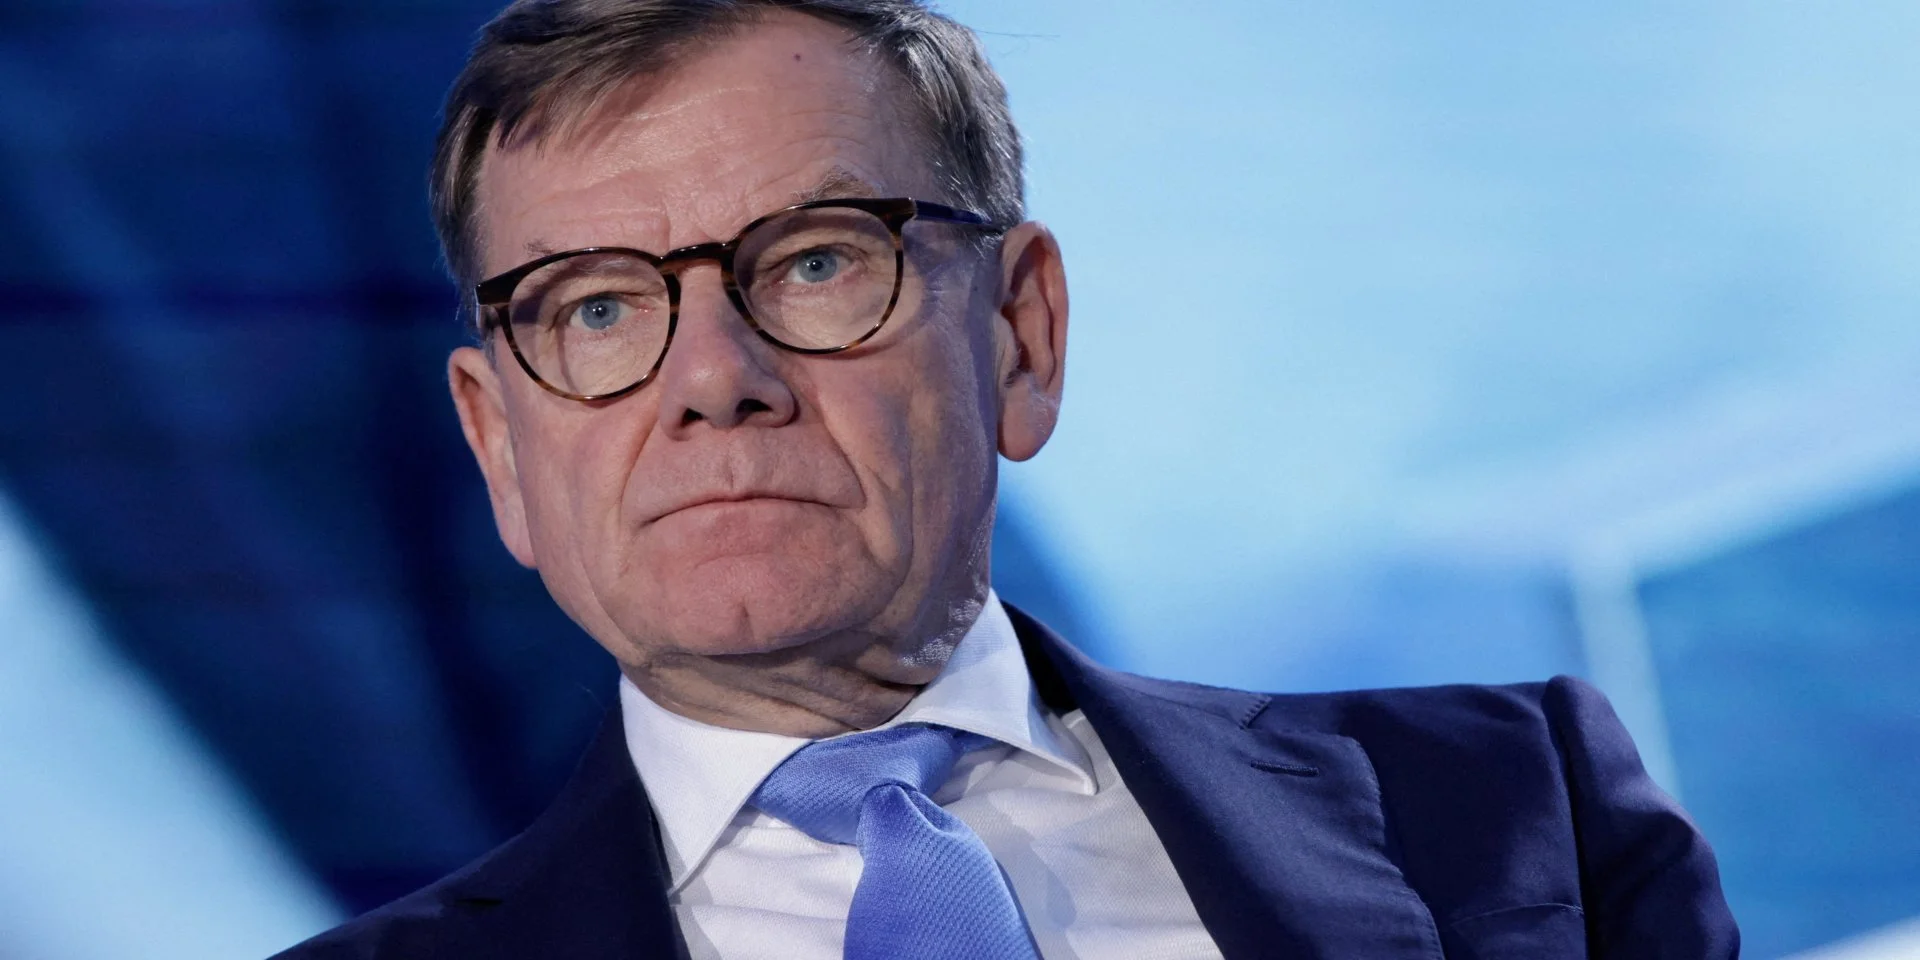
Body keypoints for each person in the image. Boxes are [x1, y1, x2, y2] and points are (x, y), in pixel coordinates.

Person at [275, 0, 1740, 957]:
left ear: (1022, 334)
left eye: (815, 263)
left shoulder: (1511, 807)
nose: (713, 376)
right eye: (595, 308)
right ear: (499, 446)